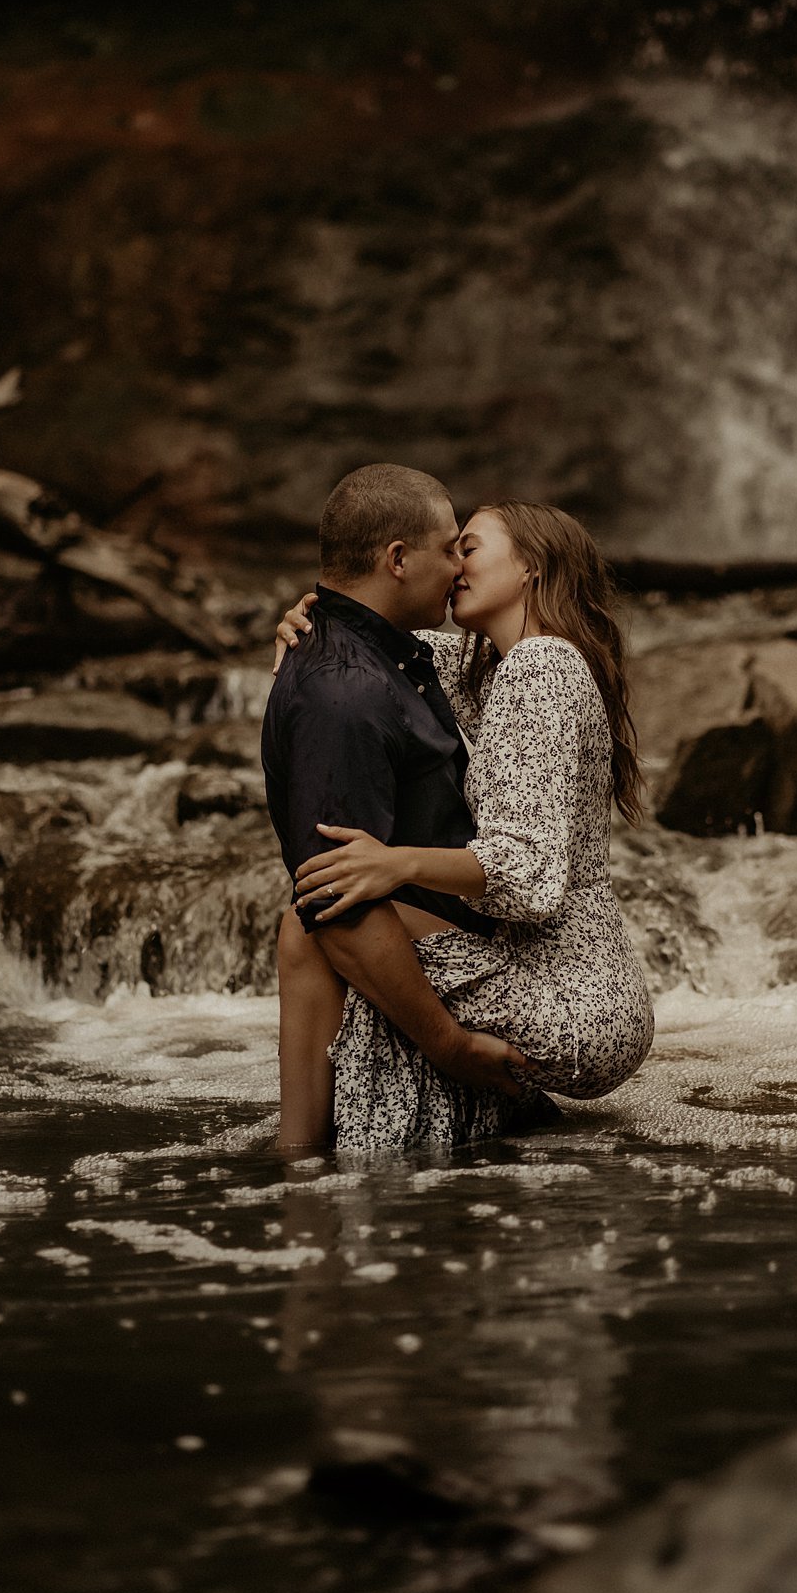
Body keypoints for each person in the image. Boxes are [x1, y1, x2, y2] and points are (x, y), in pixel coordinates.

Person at [266, 473, 655, 1153]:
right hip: (567, 979)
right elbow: (374, 640)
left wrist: (394, 865)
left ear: (529, 566)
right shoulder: (489, 666)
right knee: (322, 913)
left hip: (572, 997)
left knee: (318, 914)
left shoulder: (540, 666)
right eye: (447, 550)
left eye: (467, 547)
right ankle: (302, 1154)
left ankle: (295, 1164)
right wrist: (312, 612)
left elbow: (528, 873)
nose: (453, 566)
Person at [261, 464, 539, 1154]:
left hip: (440, 971)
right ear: (396, 560)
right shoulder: (345, 696)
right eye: (451, 548)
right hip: (430, 999)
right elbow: (334, 906)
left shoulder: (390, 655)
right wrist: (450, 1047)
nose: (458, 566)